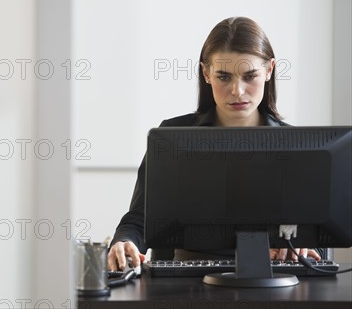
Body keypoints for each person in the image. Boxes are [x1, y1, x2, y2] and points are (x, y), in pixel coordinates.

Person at [107, 16, 322, 271]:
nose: (237, 91)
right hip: (185, 283)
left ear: (269, 70)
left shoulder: (296, 147)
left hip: (272, 281)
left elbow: (317, 231)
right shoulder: (172, 136)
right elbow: (140, 219)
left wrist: (305, 246)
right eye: (223, 77)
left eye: (249, 76)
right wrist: (124, 241)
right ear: (206, 73)